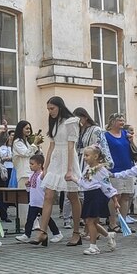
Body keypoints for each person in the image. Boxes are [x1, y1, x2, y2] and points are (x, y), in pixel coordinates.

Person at [30, 97, 82, 246]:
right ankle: (42, 232)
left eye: (52, 108)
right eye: (48, 109)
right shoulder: (54, 123)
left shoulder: (71, 121)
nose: (50, 111)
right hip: (55, 161)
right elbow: (51, 146)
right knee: (48, 195)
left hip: (68, 159)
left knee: (72, 196)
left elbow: (71, 146)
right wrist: (45, 167)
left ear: (59, 107)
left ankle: (76, 232)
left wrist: (70, 169)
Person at [66, 145, 119, 255]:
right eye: (84, 155)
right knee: (91, 221)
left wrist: (115, 200)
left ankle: (93, 246)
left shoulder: (101, 170)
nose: (84, 158)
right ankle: (109, 235)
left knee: (90, 221)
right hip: (88, 195)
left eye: (87, 155)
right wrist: (73, 178)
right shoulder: (87, 168)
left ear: (95, 156)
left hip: (97, 195)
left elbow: (107, 185)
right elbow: (83, 182)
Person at [17, 154, 63, 244]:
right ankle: (27, 234)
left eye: (32, 164)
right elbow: (30, 189)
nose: (30, 166)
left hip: (42, 202)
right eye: (30, 164)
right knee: (30, 219)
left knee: (48, 219)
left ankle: (57, 233)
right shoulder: (31, 175)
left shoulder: (42, 175)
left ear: (39, 165)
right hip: (33, 201)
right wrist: (27, 186)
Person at [104, 113, 136, 232]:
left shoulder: (125, 134)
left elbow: (132, 150)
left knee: (126, 196)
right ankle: (112, 223)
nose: (122, 122)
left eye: (123, 120)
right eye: (119, 120)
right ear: (112, 122)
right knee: (115, 196)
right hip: (113, 169)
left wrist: (132, 141)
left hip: (127, 167)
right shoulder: (106, 136)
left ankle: (123, 222)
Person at [11, 120, 43, 227]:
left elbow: (34, 154)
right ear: (21, 129)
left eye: (29, 128)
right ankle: (25, 223)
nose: (28, 130)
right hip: (24, 173)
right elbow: (26, 153)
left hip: (31, 172)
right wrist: (34, 144)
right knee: (24, 200)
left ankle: (33, 222)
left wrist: (36, 145)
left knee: (33, 199)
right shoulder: (17, 142)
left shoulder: (26, 142)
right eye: (26, 128)